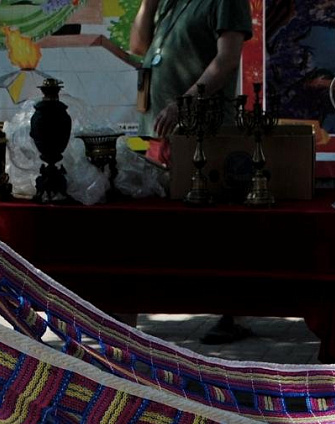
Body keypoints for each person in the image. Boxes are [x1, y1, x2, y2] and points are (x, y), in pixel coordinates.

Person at [130, 0, 254, 345]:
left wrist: (184, 103)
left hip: (203, 131)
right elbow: (138, 46)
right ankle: (134, 310)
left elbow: (227, 59)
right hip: (157, 131)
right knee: (154, 220)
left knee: (215, 226)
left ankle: (233, 313)